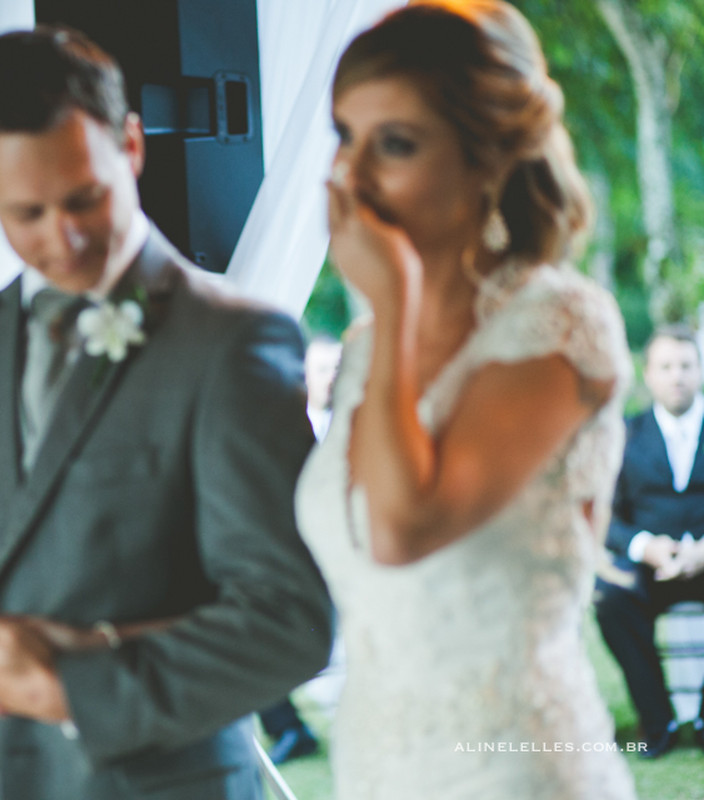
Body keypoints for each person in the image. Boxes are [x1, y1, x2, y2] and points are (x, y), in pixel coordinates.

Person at [0, 25, 333, 800]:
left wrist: (81, 682)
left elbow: (290, 620)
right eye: (28, 213)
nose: (66, 237)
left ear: (130, 145)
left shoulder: (235, 343)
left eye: (86, 198)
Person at [294, 2, 636, 797]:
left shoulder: (559, 324)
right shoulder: (367, 352)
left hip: (511, 768)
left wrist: (394, 298)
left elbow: (404, 527)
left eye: (397, 145)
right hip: (376, 759)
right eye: (346, 137)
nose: (354, 178)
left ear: (486, 159)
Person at [596, 325, 704, 758]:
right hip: (648, 566)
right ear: (648, 374)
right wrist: (645, 547)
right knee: (609, 598)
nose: (677, 376)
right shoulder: (622, 435)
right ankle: (657, 723)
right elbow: (603, 516)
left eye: (686, 365)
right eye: (666, 366)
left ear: (699, 371)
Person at [257, 335, 342, 764]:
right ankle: (288, 726)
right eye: (322, 369)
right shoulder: (288, 424)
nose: (331, 378)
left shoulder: (352, 425)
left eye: (336, 368)